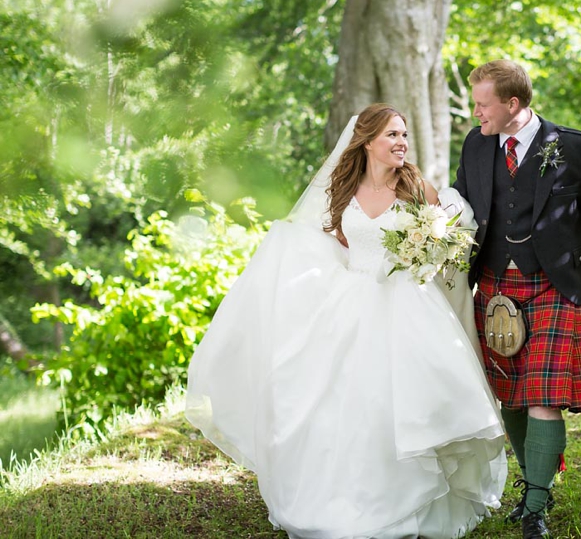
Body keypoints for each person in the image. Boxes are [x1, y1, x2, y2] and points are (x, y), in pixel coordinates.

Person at [185, 103, 507, 539]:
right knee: (341, 402)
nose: (401, 143)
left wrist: (426, 253)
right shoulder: (343, 190)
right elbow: (335, 242)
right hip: (350, 304)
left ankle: (415, 504)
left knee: (404, 401)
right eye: (392, 135)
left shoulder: (418, 189)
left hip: (409, 308)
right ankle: (342, 497)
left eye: (404, 135)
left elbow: (445, 241)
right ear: (368, 140)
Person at [452, 60, 581, 539]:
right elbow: (460, 204)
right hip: (494, 284)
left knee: (543, 397)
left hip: (553, 285)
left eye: (483, 103)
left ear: (512, 104)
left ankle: (536, 503)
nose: (476, 112)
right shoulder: (476, 143)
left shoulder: (573, 147)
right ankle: (536, 482)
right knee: (509, 398)